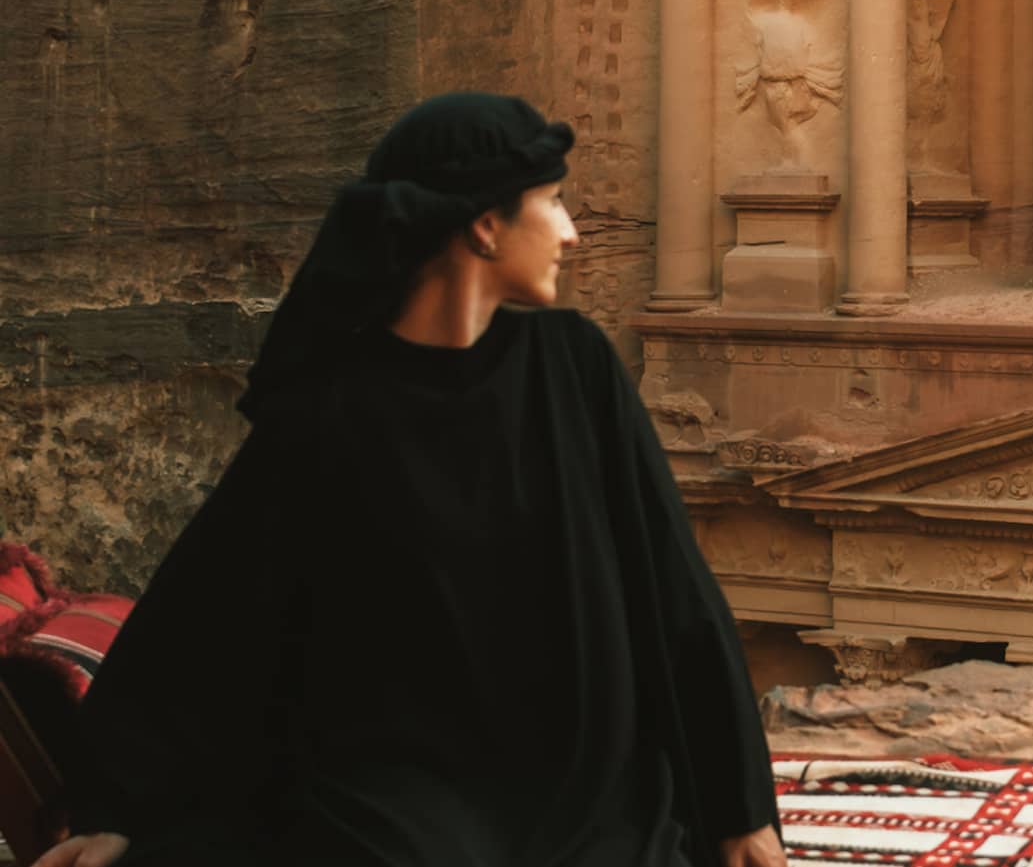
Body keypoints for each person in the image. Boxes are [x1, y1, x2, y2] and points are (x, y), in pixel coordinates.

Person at [38, 93, 785, 867]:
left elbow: (673, 584)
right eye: (553, 201)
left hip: (585, 783)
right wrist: (116, 806)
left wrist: (740, 808)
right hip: (399, 797)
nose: (570, 230)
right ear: (485, 224)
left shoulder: (574, 364)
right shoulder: (335, 406)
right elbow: (214, 609)